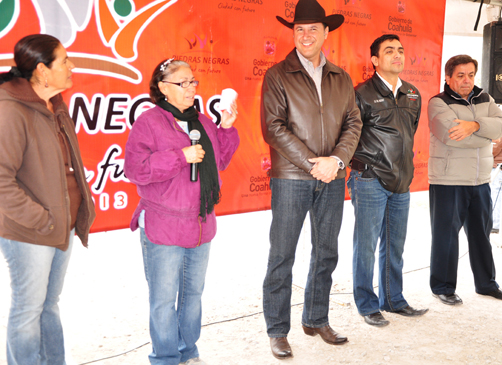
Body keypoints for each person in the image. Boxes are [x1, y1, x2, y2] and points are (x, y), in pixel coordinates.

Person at [261, 0, 362, 359]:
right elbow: (273, 128)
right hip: (291, 177)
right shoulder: (276, 74)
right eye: (298, 29)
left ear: (326, 33)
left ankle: (316, 318)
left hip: (332, 176)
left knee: (326, 253)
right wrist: (311, 163)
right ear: (293, 34)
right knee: (282, 254)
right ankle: (277, 329)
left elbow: (353, 122)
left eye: (312, 29)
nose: (305, 35)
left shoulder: (341, 76)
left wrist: (335, 161)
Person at [124, 58, 239, 365]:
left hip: (200, 222)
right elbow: (135, 170)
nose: (191, 88)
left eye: (193, 82)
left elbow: (220, 162)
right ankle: (164, 358)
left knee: (192, 298)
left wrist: (225, 129)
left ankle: (188, 352)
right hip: (163, 225)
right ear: (163, 88)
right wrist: (180, 156)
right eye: (182, 83)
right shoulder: (148, 122)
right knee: (163, 301)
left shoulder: (201, 120)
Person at [0, 34, 96, 364]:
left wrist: (68, 215)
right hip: (31, 230)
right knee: (29, 309)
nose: (72, 66)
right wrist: (43, 219)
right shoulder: (9, 110)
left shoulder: (55, 103)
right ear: (42, 70)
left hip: (60, 225)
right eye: (64, 60)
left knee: (48, 303)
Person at [348, 34, 428, 328]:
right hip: (369, 178)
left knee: (395, 245)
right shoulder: (361, 94)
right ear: (375, 60)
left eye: (401, 50)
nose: (397, 55)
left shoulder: (413, 94)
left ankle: (394, 300)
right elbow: (350, 135)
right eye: (389, 51)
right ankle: (367, 304)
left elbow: (410, 132)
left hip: (402, 181)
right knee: (366, 245)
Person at [428, 54, 502, 306]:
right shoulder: (438, 102)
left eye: (470, 75)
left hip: (480, 181)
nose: (467, 81)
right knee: (446, 237)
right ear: (448, 77)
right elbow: (451, 135)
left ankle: (486, 284)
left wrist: (474, 125)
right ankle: (443, 287)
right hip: (448, 181)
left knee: (481, 235)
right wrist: (487, 135)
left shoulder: (486, 98)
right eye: (460, 75)